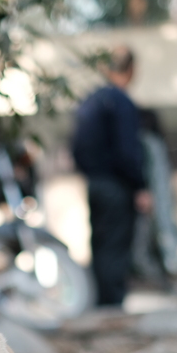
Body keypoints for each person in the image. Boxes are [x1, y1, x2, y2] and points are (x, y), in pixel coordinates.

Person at [71, 45, 153, 306]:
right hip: (117, 187)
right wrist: (140, 185)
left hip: (94, 184)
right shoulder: (120, 102)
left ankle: (100, 302)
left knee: (100, 244)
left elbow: (76, 146)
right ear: (130, 70)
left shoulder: (91, 100)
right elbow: (127, 150)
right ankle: (112, 306)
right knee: (116, 248)